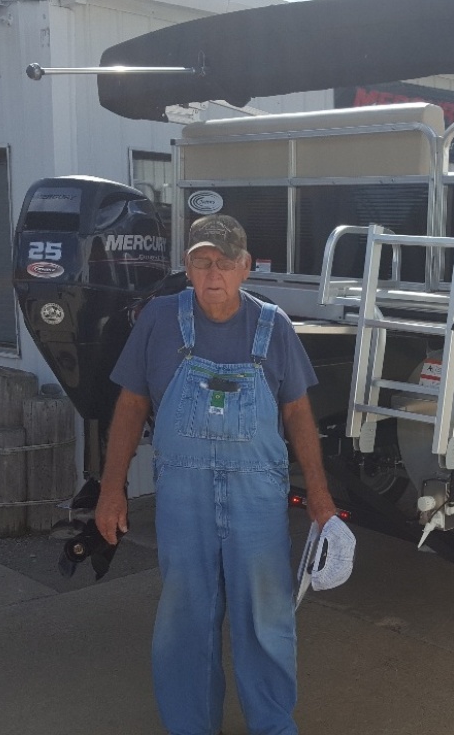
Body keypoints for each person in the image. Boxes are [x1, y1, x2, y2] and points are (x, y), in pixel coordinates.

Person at [95, 213, 337, 735]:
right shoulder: (159, 319)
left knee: (265, 618)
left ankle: (272, 725)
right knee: (187, 618)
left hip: (258, 495)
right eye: (202, 261)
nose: (213, 274)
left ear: (245, 268)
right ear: (186, 267)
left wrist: (320, 497)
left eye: (225, 263)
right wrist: (111, 488)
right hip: (184, 497)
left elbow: (297, 412)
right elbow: (131, 404)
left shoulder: (274, 326)